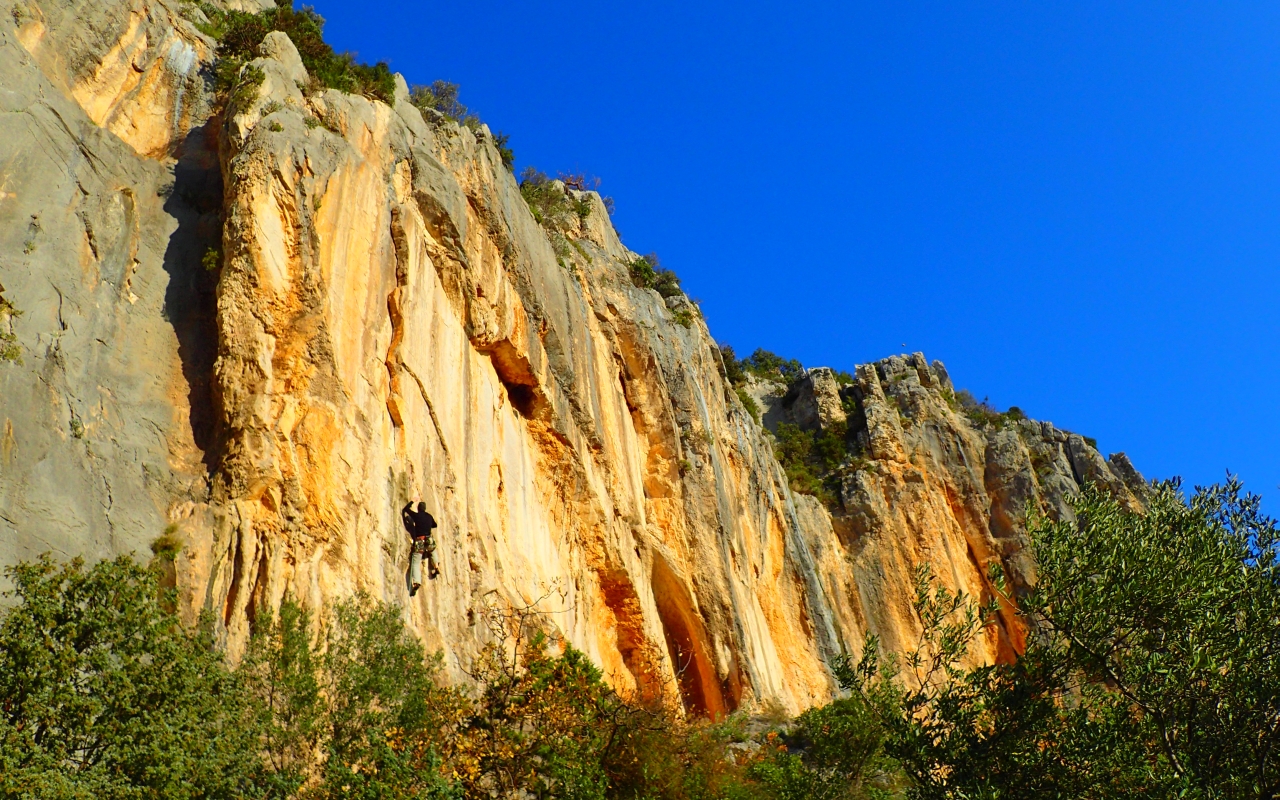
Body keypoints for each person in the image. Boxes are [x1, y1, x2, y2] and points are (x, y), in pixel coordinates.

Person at [401, 501, 439, 596]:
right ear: (425, 508)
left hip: (420, 541)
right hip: (428, 539)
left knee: (416, 562)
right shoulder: (429, 516)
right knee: (433, 550)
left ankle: (417, 582)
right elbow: (435, 525)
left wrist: (410, 503)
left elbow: (405, 510)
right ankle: (436, 566)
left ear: (418, 508)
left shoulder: (416, 516)